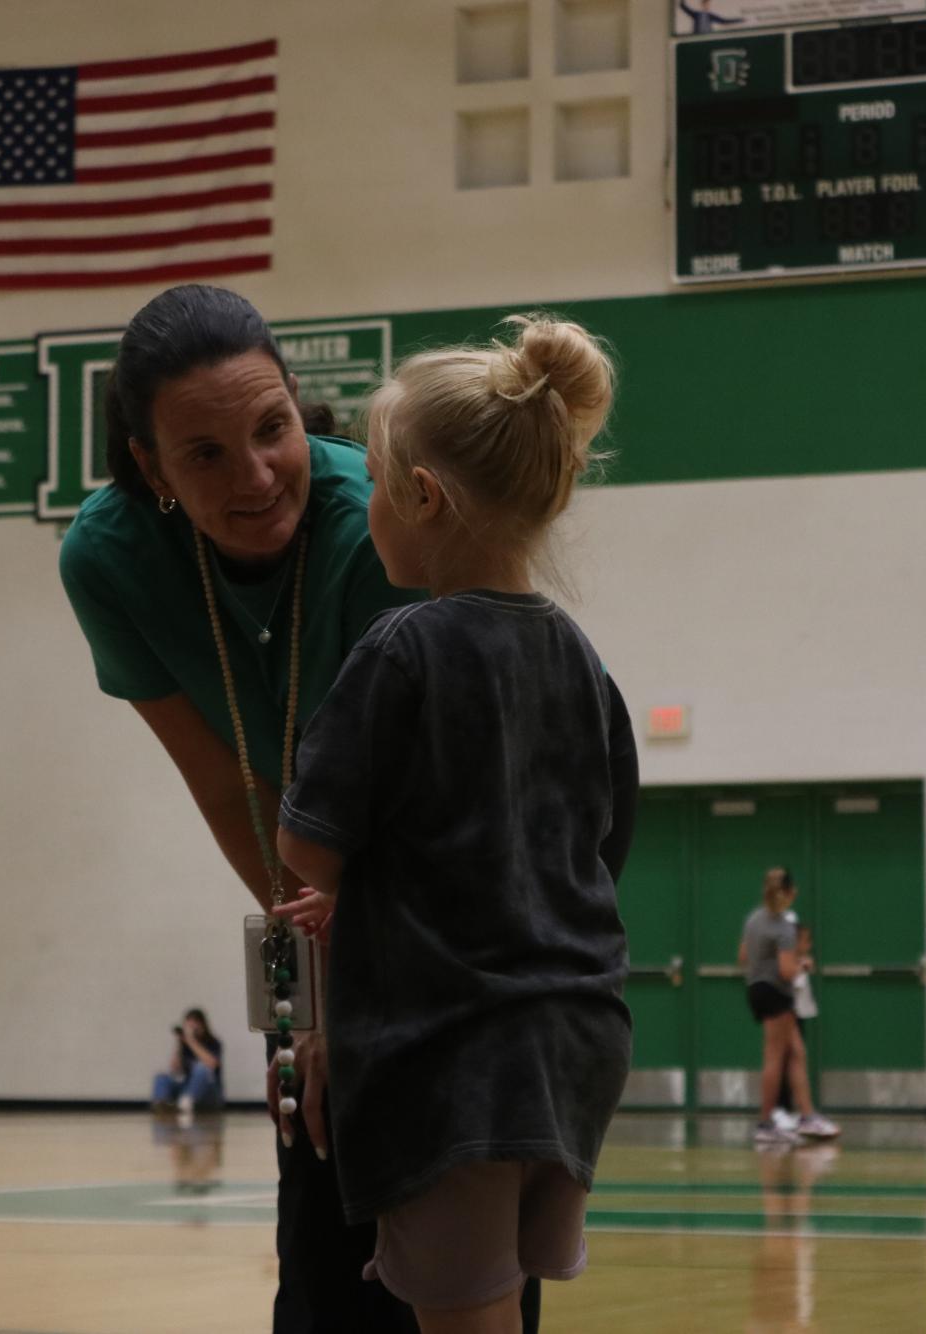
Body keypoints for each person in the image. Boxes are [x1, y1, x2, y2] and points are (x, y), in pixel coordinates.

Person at [58, 285, 520, 1333]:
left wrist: (365, 980)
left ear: (297, 407)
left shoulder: (389, 529)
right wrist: (319, 985)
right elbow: (228, 783)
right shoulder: (109, 559)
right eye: (205, 453)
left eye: (271, 429)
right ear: (149, 467)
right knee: (320, 1262)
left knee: (457, 1273)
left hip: (454, 906)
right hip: (330, 904)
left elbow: (439, 801)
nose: (257, 475)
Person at [271, 314, 637, 1334]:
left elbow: (306, 849)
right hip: (576, 1042)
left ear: (422, 497)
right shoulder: (581, 659)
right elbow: (607, 846)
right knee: (496, 1310)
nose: (369, 510)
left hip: (449, 1052)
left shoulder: (403, 649)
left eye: (378, 487)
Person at [741, 867, 840, 1146]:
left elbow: (743, 955)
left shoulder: (754, 919)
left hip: (756, 988)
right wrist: (803, 964)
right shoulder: (783, 926)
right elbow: (786, 971)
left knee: (796, 1051)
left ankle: (807, 1116)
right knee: (775, 1057)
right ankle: (765, 1123)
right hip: (775, 992)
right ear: (787, 893)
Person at [773, 918, 817, 1133]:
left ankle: (792, 1109)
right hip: (787, 1014)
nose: (808, 945)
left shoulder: (799, 960)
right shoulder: (788, 963)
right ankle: (780, 1108)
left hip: (798, 1014)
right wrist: (801, 968)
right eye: (805, 941)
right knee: (789, 1058)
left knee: (794, 1059)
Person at [151, 1008, 225, 1115]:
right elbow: (174, 1069)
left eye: (195, 1024)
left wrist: (191, 1041)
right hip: (187, 1089)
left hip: (209, 1092)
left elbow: (212, 1064)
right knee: (161, 1077)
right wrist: (179, 1043)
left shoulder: (213, 1043)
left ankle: (186, 1102)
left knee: (201, 1068)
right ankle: (161, 1103)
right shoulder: (184, 1046)